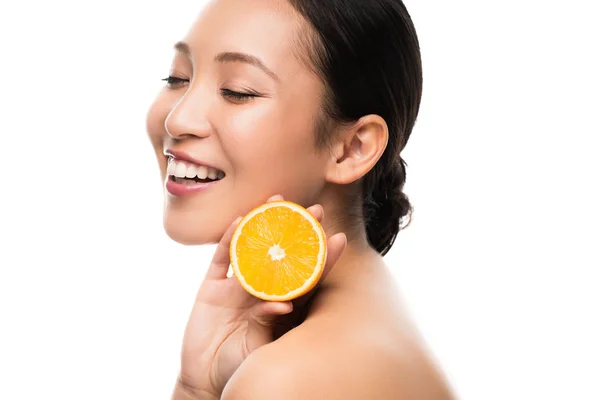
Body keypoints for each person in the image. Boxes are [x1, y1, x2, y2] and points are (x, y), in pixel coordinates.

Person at [146, 0, 455, 398]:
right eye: (177, 79)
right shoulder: (368, 315)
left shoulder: (289, 378)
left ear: (352, 148)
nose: (177, 119)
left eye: (237, 91)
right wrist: (197, 388)